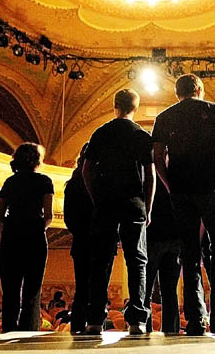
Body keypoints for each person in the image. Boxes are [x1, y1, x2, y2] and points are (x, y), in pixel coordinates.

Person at [151, 74, 215, 336]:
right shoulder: (214, 110)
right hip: (212, 189)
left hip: (181, 193)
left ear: (176, 93)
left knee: (189, 256)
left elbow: (158, 159)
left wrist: (171, 187)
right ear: (200, 89)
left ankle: (195, 320)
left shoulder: (164, 117)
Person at [82, 89, 155, 335]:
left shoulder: (101, 132)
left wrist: (96, 199)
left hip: (106, 203)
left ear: (115, 105)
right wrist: (148, 206)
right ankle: (136, 321)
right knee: (137, 261)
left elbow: (86, 170)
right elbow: (151, 176)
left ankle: (94, 321)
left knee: (101, 261)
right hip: (134, 202)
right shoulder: (142, 135)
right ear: (136, 107)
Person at [0, 142, 54, 332]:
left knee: (10, 290)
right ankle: (28, 334)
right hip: (35, 238)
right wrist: (38, 228)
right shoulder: (45, 181)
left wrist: (14, 225)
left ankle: (8, 331)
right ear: (37, 160)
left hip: (12, 237)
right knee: (32, 292)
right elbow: (49, 216)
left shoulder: (10, 182)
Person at [63, 142, 96, 334]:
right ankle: (94, 325)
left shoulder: (73, 184)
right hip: (98, 239)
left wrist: (79, 231)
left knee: (82, 287)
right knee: (97, 286)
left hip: (81, 241)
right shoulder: (99, 180)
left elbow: (69, 218)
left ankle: (77, 327)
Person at [144, 175, 182, 334]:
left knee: (145, 289)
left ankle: (143, 328)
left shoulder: (148, 177)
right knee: (169, 291)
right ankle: (171, 330)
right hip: (174, 238)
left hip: (152, 237)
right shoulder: (175, 177)